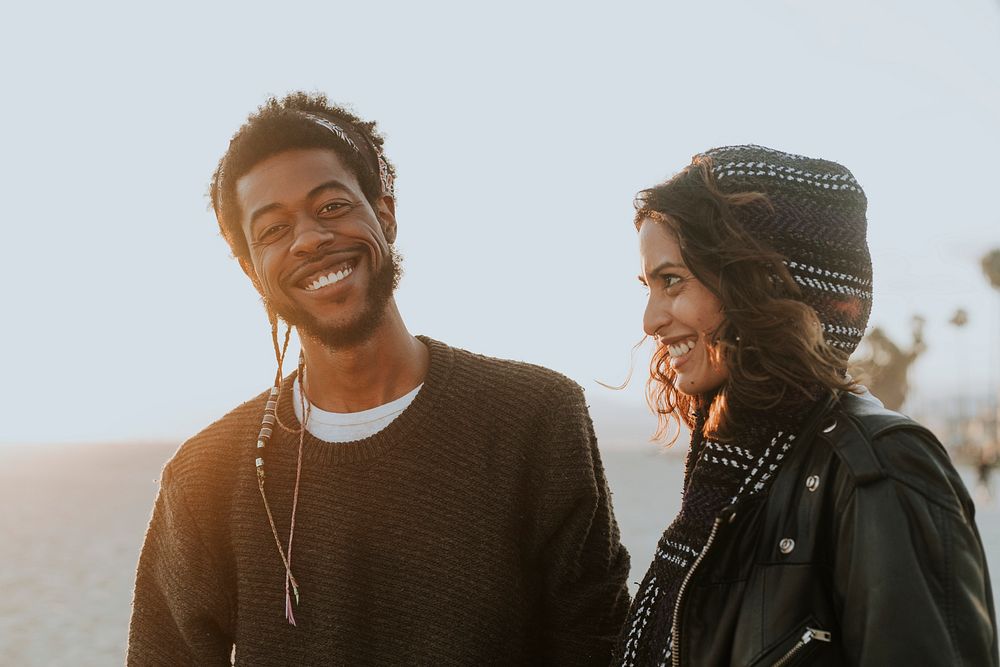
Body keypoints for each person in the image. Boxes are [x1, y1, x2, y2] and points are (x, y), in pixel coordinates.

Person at [127, 92, 630, 665]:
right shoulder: (205, 476)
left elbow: (595, 640)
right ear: (250, 270)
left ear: (384, 214)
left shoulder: (535, 416)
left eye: (333, 207)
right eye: (272, 231)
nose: (310, 239)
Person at [614, 145, 998, 666]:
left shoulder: (881, 469)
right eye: (647, 286)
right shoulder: (733, 470)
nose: (650, 319)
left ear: (764, 283)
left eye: (673, 281)